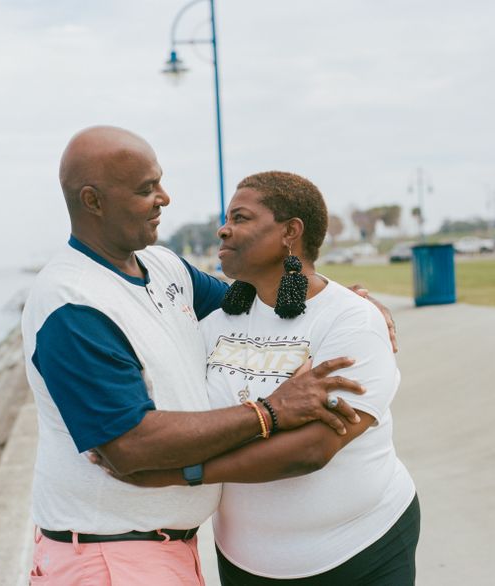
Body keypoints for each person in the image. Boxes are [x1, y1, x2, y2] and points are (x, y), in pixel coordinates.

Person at [21, 127, 385, 585]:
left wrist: (348, 304)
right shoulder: (72, 303)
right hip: (110, 558)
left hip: (163, 551)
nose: (164, 198)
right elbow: (130, 445)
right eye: (145, 189)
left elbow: (261, 303)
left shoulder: (162, 266)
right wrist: (271, 411)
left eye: (160, 182)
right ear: (92, 201)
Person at [103, 171, 419, 585]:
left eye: (241, 217)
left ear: (290, 232)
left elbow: (312, 449)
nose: (223, 228)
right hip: (245, 562)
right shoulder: (213, 323)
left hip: (361, 551)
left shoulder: (351, 321)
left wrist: (181, 473)